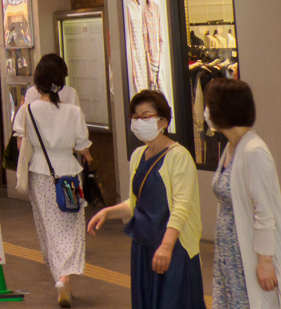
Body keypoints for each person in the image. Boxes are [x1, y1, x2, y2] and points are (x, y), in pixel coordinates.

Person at [90, 89, 204, 309]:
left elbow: (181, 208)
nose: (138, 121)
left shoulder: (179, 156)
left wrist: (166, 247)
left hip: (174, 248)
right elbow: (136, 204)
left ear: (163, 121)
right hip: (143, 247)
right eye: (134, 116)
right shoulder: (138, 155)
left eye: (145, 116)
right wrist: (108, 212)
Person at [13, 55, 92, 307]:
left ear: (38, 83)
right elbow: (82, 147)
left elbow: (20, 143)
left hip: (40, 173)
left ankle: (59, 276)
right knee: (70, 224)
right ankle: (65, 276)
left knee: (47, 225)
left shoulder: (27, 110)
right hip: (68, 174)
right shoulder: (74, 112)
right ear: (61, 82)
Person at [204, 78, 281, 309]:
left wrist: (265, 261)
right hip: (230, 253)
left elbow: (265, 211)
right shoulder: (231, 146)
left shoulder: (254, 150)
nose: (205, 112)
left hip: (248, 251)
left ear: (222, 109)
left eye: (209, 106)